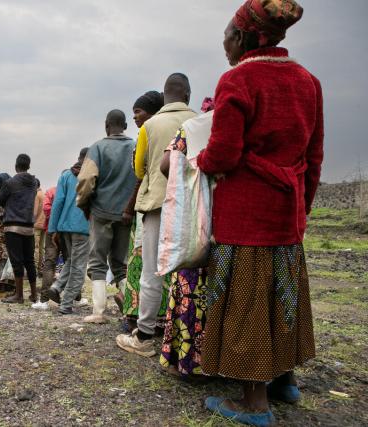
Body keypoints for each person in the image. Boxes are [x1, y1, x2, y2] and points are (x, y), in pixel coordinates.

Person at [198, 1, 320, 425]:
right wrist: (300, 206)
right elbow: (315, 157)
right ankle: (285, 382)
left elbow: (225, 152)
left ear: (245, 37)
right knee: (282, 296)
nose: (225, 46)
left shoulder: (239, 79)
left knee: (248, 302)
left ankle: (253, 404)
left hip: (246, 215)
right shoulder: (309, 82)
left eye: (228, 37)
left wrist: (196, 163)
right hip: (287, 213)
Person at [116, 73, 196, 355]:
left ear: (165, 96)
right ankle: (183, 336)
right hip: (191, 207)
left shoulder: (150, 126)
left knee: (152, 270)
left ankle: (145, 335)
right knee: (188, 270)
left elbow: (139, 170)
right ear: (187, 95)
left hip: (157, 204)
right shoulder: (198, 121)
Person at [158, 99, 215, 378]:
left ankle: (188, 362)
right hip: (237, 219)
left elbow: (166, 164)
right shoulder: (246, 124)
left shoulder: (192, 128)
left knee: (191, 281)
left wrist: (194, 173)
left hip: (198, 218)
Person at [76, 110, 136, 323]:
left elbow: (86, 181)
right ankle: (130, 307)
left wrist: (84, 204)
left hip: (101, 212)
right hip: (127, 214)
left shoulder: (98, 148)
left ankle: (98, 312)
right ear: (126, 125)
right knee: (121, 264)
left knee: (98, 261)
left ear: (106, 125)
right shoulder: (135, 147)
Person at [121, 91, 166, 332]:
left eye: (138, 111)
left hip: (148, 203)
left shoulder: (147, 132)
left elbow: (141, 174)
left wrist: (129, 208)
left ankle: (138, 318)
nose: (135, 117)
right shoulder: (175, 127)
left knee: (143, 262)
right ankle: (162, 318)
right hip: (171, 203)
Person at [46, 147, 90, 315]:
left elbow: (58, 202)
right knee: (79, 266)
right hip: (83, 226)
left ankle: (57, 287)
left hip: (65, 227)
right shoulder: (92, 176)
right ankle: (66, 303)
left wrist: (53, 229)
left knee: (72, 261)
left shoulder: (65, 176)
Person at [0, 154, 38, 304]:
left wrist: (1, 212)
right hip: (29, 227)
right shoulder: (34, 183)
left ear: (15, 165)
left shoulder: (10, 183)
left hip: (13, 226)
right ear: (29, 166)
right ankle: (34, 295)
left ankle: (19, 296)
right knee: (30, 261)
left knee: (16, 261)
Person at [33, 180, 46, 277]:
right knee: (41, 248)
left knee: (35, 248)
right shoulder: (44, 194)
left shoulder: (36, 195)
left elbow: (34, 212)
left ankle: (35, 270)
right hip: (44, 225)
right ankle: (41, 269)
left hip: (36, 225)